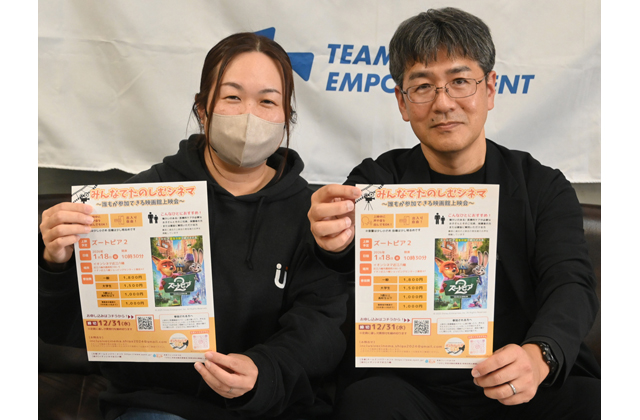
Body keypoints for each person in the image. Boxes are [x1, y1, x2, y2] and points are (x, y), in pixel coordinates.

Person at [307, 8, 600, 419]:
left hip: (519, 383)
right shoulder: (375, 184)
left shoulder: (542, 186)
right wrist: (331, 243)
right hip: (410, 386)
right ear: (402, 102)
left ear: (490, 89)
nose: (443, 103)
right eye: (423, 87)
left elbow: (570, 283)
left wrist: (539, 356)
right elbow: (338, 271)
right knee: (367, 403)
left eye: (460, 81)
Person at [39, 32, 348, 420]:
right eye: (232, 97)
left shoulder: (313, 215)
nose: (249, 115)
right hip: (161, 404)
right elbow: (65, 328)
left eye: (267, 101)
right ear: (203, 109)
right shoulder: (135, 200)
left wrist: (264, 371)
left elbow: (322, 324)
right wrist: (55, 263)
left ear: (287, 116)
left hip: (272, 407)